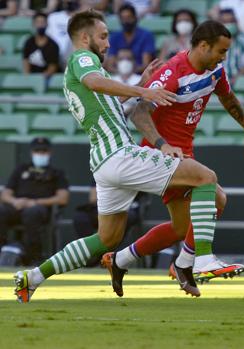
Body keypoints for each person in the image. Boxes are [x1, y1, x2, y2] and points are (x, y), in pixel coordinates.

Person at [13, 9, 221, 303]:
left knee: (106, 239)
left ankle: (32, 277)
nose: (108, 43)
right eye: (103, 36)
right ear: (84, 37)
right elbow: (95, 83)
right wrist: (143, 91)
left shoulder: (85, 70)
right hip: (119, 154)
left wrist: (141, 85)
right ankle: (199, 259)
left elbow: (109, 104)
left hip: (103, 162)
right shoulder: (82, 59)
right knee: (205, 178)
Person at [101, 20, 244, 296]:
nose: (223, 57)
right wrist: (162, 144)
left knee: (182, 227)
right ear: (203, 46)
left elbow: (229, 99)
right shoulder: (172, 72)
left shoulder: (215, 70)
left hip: (184, 154)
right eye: (221, 51)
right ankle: (195, 261)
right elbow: (139, 113)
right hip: (160, 154)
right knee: (215, 194)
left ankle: (120, 260)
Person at [0, 137, 69, 265]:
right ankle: (3, 252)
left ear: (49, 153)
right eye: (37, 151)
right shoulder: (21, 169)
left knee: (32, 213)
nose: (40, 154)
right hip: (18, 206)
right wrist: (15, 201)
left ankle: (33, 257)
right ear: (32, 152)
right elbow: (5, 194)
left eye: (44, 151)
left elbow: (62, 198)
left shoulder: (56, 173)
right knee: (1, 211)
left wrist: (36, 202)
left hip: (40, 209)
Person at [105, 3, 156, 74]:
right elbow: (110, 66)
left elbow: (146, 65)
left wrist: (129, 73)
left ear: (135, 18)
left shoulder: (146, 35)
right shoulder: (115, 37)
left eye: (129, 18)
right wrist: (124, 74)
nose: (126, 21)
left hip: (140, 76)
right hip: (119, 77)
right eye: (123, 18)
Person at [219, 8, 244, 82]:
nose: (229, 24)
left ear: (236, 22)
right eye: (225, 22)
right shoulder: (212, 42)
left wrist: (235, 79)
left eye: (231, 21)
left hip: (241, 80)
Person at [22, 12, 60, 79]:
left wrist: (41, 78)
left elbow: (53, 66)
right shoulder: (29, 42)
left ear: (47, 24)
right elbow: (26, 61)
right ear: (33, 24)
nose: (40, 25)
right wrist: (27, 78)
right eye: (38, 22)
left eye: (42, 22)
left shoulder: (53, 45)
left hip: (46, 78)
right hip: (31, 77)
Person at [112, 48, 141, 115]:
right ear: (116, 61)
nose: (125, 62)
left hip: (135, 116)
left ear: (134, 61)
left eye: (128, 59)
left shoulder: (140, 80)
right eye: (121, 59)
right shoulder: (110, 80)